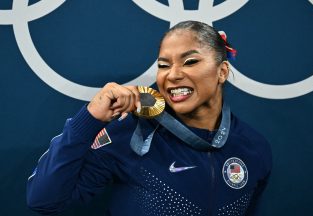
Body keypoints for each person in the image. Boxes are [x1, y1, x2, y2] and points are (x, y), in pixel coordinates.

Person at [27, 20, 272, 216]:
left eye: (190, 61)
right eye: (164, 65)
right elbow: (43, 201)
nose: (173, 75)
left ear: (222, 71)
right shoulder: (129, 134)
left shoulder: (254, 147)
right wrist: (89, 119)